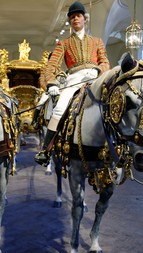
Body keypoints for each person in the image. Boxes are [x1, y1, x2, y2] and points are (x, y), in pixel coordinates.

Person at [34, 1, 110, 165]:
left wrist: (98, 70)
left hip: (95, 77)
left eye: (78, 16)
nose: (75, 19)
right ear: (70, 22)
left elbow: (105, 62)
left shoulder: (97, 41)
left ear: (85, 19)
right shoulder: (64, 43)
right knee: (59, 109)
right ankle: (46, 150)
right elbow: (52, 65)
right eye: (72, 17)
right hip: (74, 79)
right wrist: (52, 84)